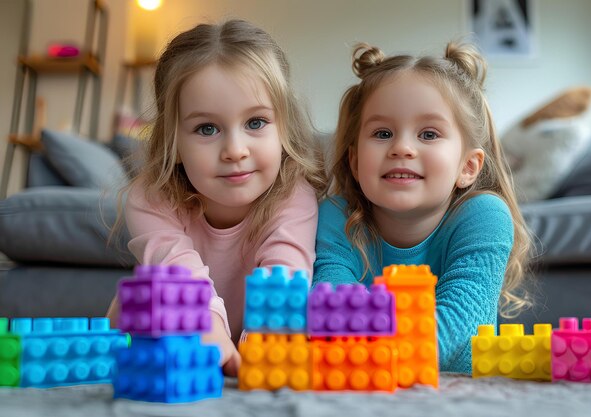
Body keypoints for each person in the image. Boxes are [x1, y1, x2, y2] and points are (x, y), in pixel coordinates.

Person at [106, 19, 326, 376]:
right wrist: (207, 325)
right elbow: (178, 271)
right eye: (207, 128)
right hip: (170, 340)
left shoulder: (292, 194)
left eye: (255, 123)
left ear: (283, 127)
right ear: (173, 142)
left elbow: (284, 279)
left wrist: (261, 349)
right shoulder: (150, 197)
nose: (235, 150)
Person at [313, 41, 532, 374]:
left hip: (457, 394)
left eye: (428, 134)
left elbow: (461, 316)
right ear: (355, 162)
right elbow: (332, 304)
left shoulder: (484, 215)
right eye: (383, 132)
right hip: (365, 389)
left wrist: (380, 359)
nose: (402, 147)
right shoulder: (336, 215)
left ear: (468, 167)